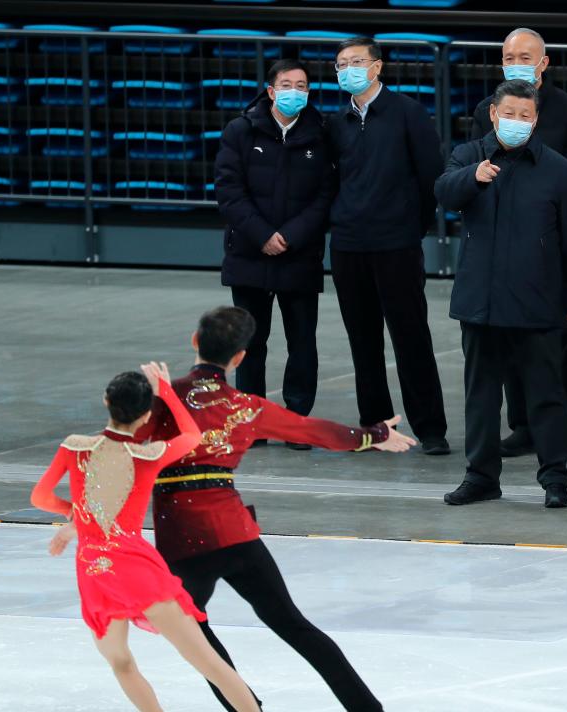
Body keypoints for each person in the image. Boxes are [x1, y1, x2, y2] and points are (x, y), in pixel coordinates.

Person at [137, 306, 414, 711]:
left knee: (193, 632)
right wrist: (373, 435)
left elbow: (128, 441)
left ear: (195, 341)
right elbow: (311, 430)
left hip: (183, 541)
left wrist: (145, 397)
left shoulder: (165, 395)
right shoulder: (246, 406)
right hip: (235, 534)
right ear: (240, 358)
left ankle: (246, 707)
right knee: (292, 624)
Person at [30, 362, 262, 712]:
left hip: (95, 570)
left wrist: (75, 513)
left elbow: (40, 498)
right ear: (144, 416)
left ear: (106, 400)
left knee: (121, 662)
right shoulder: (148, 454)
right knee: (208, 662)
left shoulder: (74, 447)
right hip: (137, 570)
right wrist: (166, 390)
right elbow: (191, 437)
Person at [435, 79, 567, 509]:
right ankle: (481, 476)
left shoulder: (556, 168)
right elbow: (443, 192)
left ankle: (555, 478)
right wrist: (475, 177)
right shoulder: (469, 156)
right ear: (493, 114)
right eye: (510, 114)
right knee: (481, 397)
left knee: (546, 395)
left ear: (536, 119)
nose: (517, 122)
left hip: (536, 302)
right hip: (481, 304)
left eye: (526, 116)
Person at [470, 27, 567, 459]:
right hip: (503, 246)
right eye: (508, 54)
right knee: (509, 346)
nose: (516, 60)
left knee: (562, 346)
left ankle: (566, 429)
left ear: (544, 62)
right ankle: (521, 426)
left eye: (525, 54)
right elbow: (472, 165)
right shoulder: (488, 108)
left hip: (551, 242)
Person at [325, 36, 449, 456]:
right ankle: (376, 427)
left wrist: (410, 227)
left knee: (411, 336)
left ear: (377, 66)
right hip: (348, 244)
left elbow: (431, 175)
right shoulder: (335, 122)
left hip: (396, 242)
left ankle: (431, 427)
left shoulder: (408, 113)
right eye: (341, 64)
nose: (348, 70)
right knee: (363, 340)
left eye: (356, 61)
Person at [215, 58, 333, 451]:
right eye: (287, 85)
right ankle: (252, 420)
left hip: (299, 255)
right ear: (270, 91)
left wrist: (291, 235)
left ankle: (297, 422)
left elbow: (325, 196)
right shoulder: (240, 130)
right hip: (250, 253)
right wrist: (263, 234)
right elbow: (229, 191)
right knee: (251, 342)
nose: (294, 92)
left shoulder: (322, 133)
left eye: (302, 86)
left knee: (302, 342)